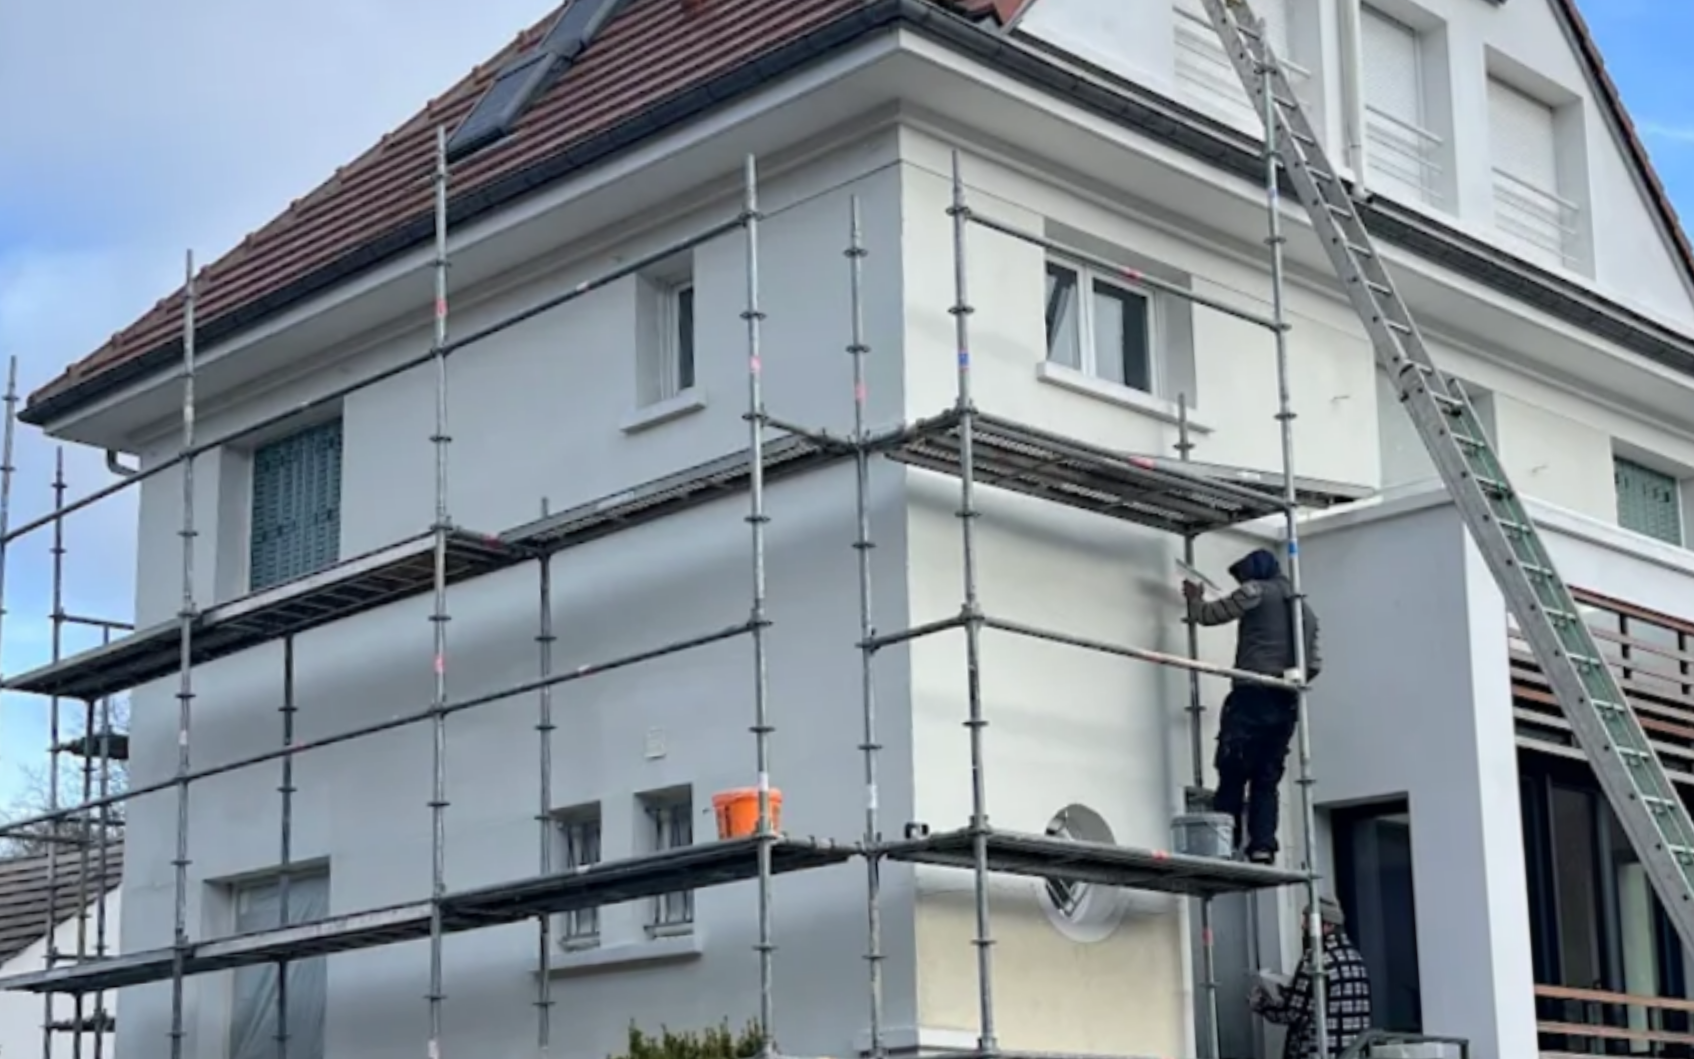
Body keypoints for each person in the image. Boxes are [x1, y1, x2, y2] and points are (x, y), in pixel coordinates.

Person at [1183, 547, 1320, 864]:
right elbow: (1315, 663)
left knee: (1233, 770)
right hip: (1285, 699)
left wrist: (1194, 599)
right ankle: (1262, 846)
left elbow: (1209, 615)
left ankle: (1223, 845)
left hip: (1250, 694)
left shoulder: (1255, 591)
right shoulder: (1304, 610)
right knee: (1266, 777)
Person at [1251, 896, 1373, 1059]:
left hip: (1317, 1052)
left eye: (1308, 921)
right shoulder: (1357, 960)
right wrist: (1291, 993)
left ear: (1328, 925)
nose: (1303, 926)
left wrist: (1262, 1004)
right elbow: (1332, 1004)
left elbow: (1293, 1014)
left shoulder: (1315, 960)